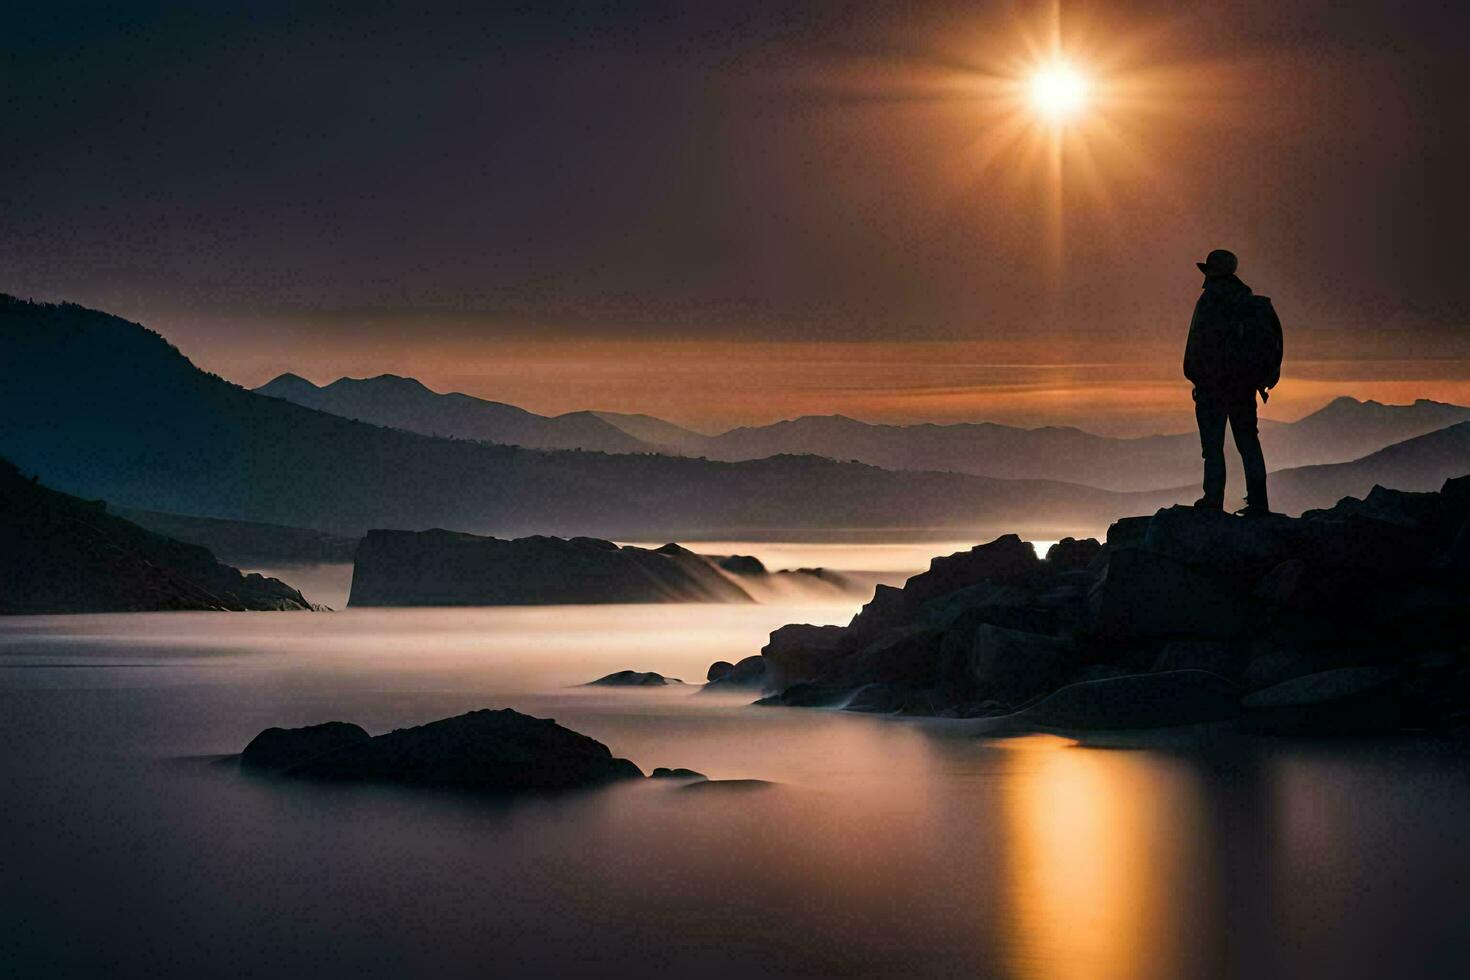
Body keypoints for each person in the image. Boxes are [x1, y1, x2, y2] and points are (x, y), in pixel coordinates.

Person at [1183, 248, 1271, 517]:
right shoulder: (1246, 301)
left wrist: (1198, 377)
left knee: (1213, 446)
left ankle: (1212, 499)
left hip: (1213, 387)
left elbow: (1200, 344)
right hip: (1243, 387)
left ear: (1211, 272)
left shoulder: (1211, 300)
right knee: (1248, 443)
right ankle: (1258, 503)